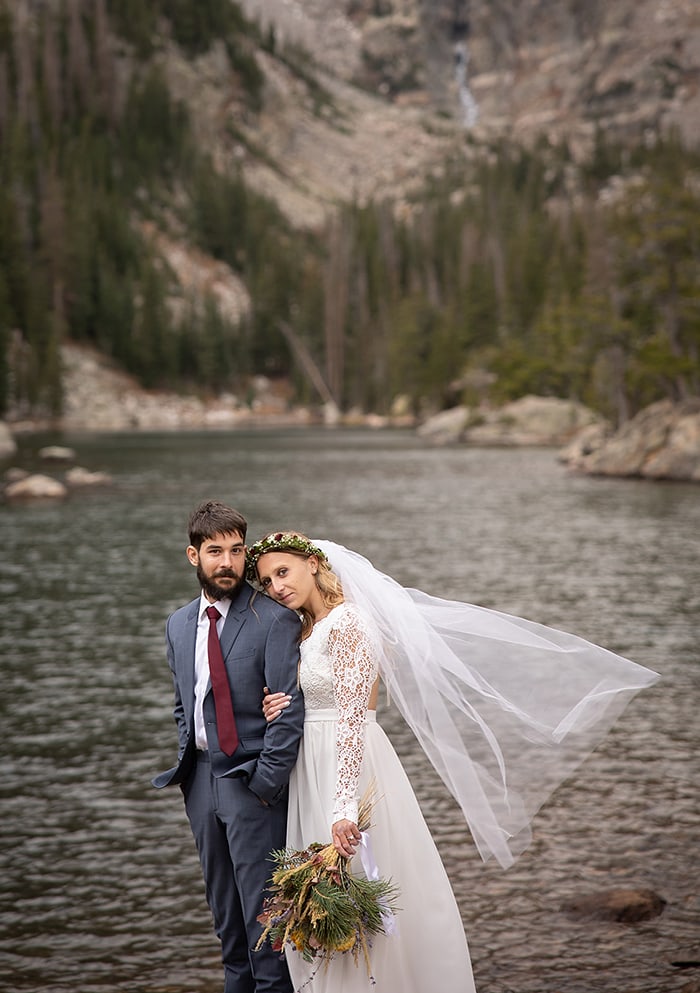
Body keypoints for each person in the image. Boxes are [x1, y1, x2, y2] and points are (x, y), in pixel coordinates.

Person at [246, 531, 660, 993]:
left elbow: (352, 716)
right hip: (310, 762)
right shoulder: (306, 629)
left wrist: (343, 806)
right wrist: (281, 707)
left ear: (313, 564)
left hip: (349, 762)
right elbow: (315, 698)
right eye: (267, 582)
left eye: (283, 572)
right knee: (321, 894)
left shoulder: (351, 623)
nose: (277, 586)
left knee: (361, 880)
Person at [152, 502, 305, 993]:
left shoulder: (273, 620)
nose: (227, 562)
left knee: (267, 926)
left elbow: (290, 710)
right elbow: (185, 703)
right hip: (199, 781)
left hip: (250, 783)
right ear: (193, 556)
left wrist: (265, 784)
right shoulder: (178, 624)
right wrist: (188, 767)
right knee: (226, 922)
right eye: (215, 551)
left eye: (237, 551)